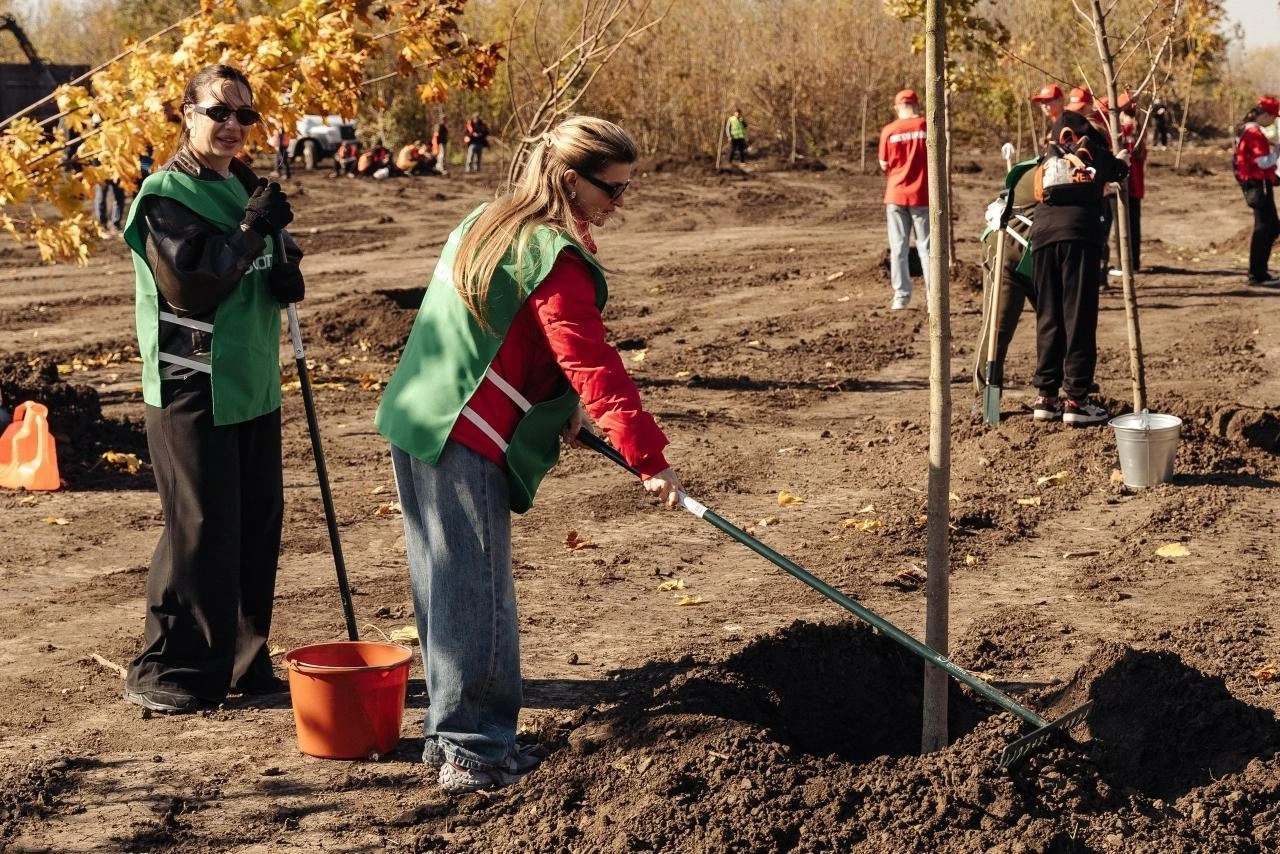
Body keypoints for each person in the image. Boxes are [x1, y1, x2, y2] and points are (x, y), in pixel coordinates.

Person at [374, 116, 682, 793]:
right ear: (571, 179)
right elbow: (591, 358)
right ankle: (474, 752)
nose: (619, 203)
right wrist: (648, 456)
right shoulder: (551, 251)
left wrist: (557, 402)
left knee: (446, 586)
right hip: (463, 429)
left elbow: (505, 325)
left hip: (419, 414)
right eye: (613, 189)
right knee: (476, 594)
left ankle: (450, 738)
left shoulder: (492, 221)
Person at [120, 63, 305, 714]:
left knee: (256, 525)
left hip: (251, 379)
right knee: (201, 528)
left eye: (244, 116)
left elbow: (262, 262)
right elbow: (193, 284)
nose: (231, 125)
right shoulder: (165, 195)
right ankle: (170, 673)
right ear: (185, 114)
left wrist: (284, 271)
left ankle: (244, 664)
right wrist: (254, 230)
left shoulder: (243, 186)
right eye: (218, 112)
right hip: (190, 382)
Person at [1028, 91, 1128, 426]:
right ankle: (1077, 400)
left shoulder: (1050, 152)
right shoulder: (1092, 145)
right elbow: (1118, 170)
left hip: (1042, 235)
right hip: (1080, 236)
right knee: (1079, 316)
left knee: (1050, 315)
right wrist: (1121, 158)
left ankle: (1046, 397)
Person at [878, 88, 930, 311]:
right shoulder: (926, 126)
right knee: (927, 248)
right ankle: (933, 297)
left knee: (898, 247)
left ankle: (901, 296)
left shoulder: (889, 130)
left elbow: (884, 164)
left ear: (897, 107)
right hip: (923, 195)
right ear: (917, 105)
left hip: (896, 194)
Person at [1234, 95, 1280, 286]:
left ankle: (1259, 272)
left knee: (1270, 226)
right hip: (1258, 183)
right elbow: (1262, 162)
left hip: (1254, 182)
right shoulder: (1254, 133)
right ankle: (1257, 274)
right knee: (1265, 228)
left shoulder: (1247, 129)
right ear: (1266, 115)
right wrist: (1277, 151)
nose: (1273, 122)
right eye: (1273, 117)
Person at [1108, 92, 1146, 274]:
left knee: (1120, 225)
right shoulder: (1140, 130)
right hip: (1137, 184)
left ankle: (1124, 265)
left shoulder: (1118, 132)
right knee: (1134, 225)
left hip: (1122, 184)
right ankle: (1135, 263)